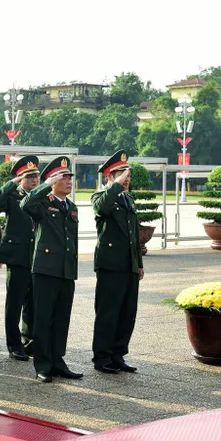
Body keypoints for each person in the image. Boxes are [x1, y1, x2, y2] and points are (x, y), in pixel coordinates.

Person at [21, 156, 83, 383]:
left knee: (61, 318)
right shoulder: (43, 203)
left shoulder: (72, 207)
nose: (68, 181)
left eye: (69, 177)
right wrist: (45, 185)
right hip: (46, 269)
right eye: (63, 177)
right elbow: (25, 204)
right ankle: (43, 363)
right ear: (52, 180)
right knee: (44, 318)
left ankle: (58, 360)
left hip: (65, 270)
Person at [91, 151, 143, 374]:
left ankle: (118, 354)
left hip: (129, 265)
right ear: (109, 177)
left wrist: (139, 263)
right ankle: (102, 357)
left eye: (127, 173)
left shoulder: (128, 199)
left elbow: (133, 235)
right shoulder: (100, 196)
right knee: (108, 312)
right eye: (121, 173)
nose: (126, 177)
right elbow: (102, 208)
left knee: (126, 312)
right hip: (110, 265)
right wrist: (116, 186)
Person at [0, 155, 40, 361]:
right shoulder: (13, 196)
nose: (34, 180)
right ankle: (14, 344)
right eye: (28, 177)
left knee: (33, 302)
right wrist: (11, 183)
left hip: (36, 257)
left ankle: (29, 341)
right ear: (20, 179)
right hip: (18, 257)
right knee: (15, 303)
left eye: (36, 176)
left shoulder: (40, 196)